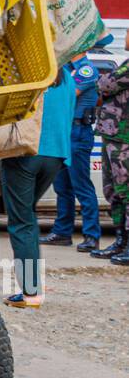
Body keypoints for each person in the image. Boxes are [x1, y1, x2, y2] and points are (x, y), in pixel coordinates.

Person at [2, 66, 75, 309]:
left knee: (21, 222)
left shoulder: (27, 74)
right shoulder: (66, 78)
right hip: (56, 155)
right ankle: (32, 288)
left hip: (25, 153)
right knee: (28, 217)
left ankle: (30, 293)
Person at [44, 51, 101, 253]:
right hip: (63, 131)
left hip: (78, 132)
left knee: (81, 185)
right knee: (62, 186)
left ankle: (91, 235)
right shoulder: (66, 69)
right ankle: (62, 232)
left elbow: (66, 94)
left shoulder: (86, 70)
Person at [90, 43, 129, 265]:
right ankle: (121, 240)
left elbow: (106, 83)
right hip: (113, 136)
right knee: (112, 190)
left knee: (126, 191)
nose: (126, 38)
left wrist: (102, 81)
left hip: (123, 139)